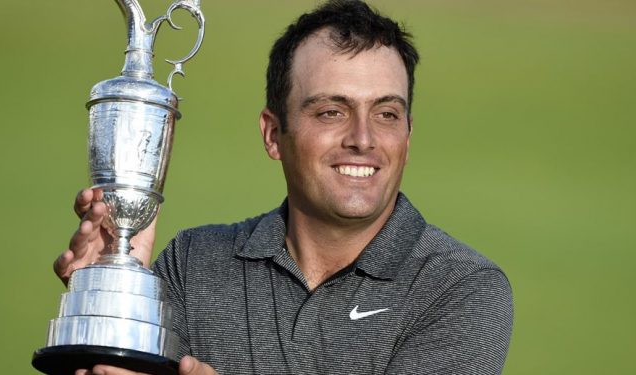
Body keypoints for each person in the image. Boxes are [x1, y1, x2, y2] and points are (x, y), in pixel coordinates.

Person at [56, 1, 513, 374]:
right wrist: (109, 301)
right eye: (331, 111)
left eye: (386, 114)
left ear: (408, 137)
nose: (364, 138)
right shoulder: (193, 264)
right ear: (274, 134)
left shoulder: (459, 288)